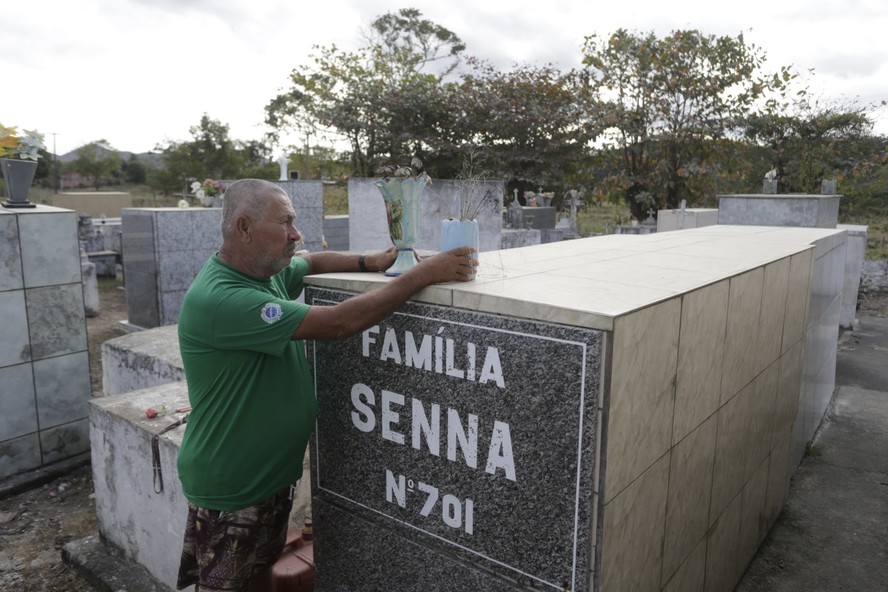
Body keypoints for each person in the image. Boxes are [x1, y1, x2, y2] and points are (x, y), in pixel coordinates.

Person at [174, 178, 475, 591]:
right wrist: (421, 274)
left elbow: (311, 262)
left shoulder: (264, 273)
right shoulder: (224, 299)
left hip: (264, 479)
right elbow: (336, 324)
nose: (295, 234)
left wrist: (370, 262)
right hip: (234, 486)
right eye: (286, 223)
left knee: (260, 575)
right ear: (244, 228)